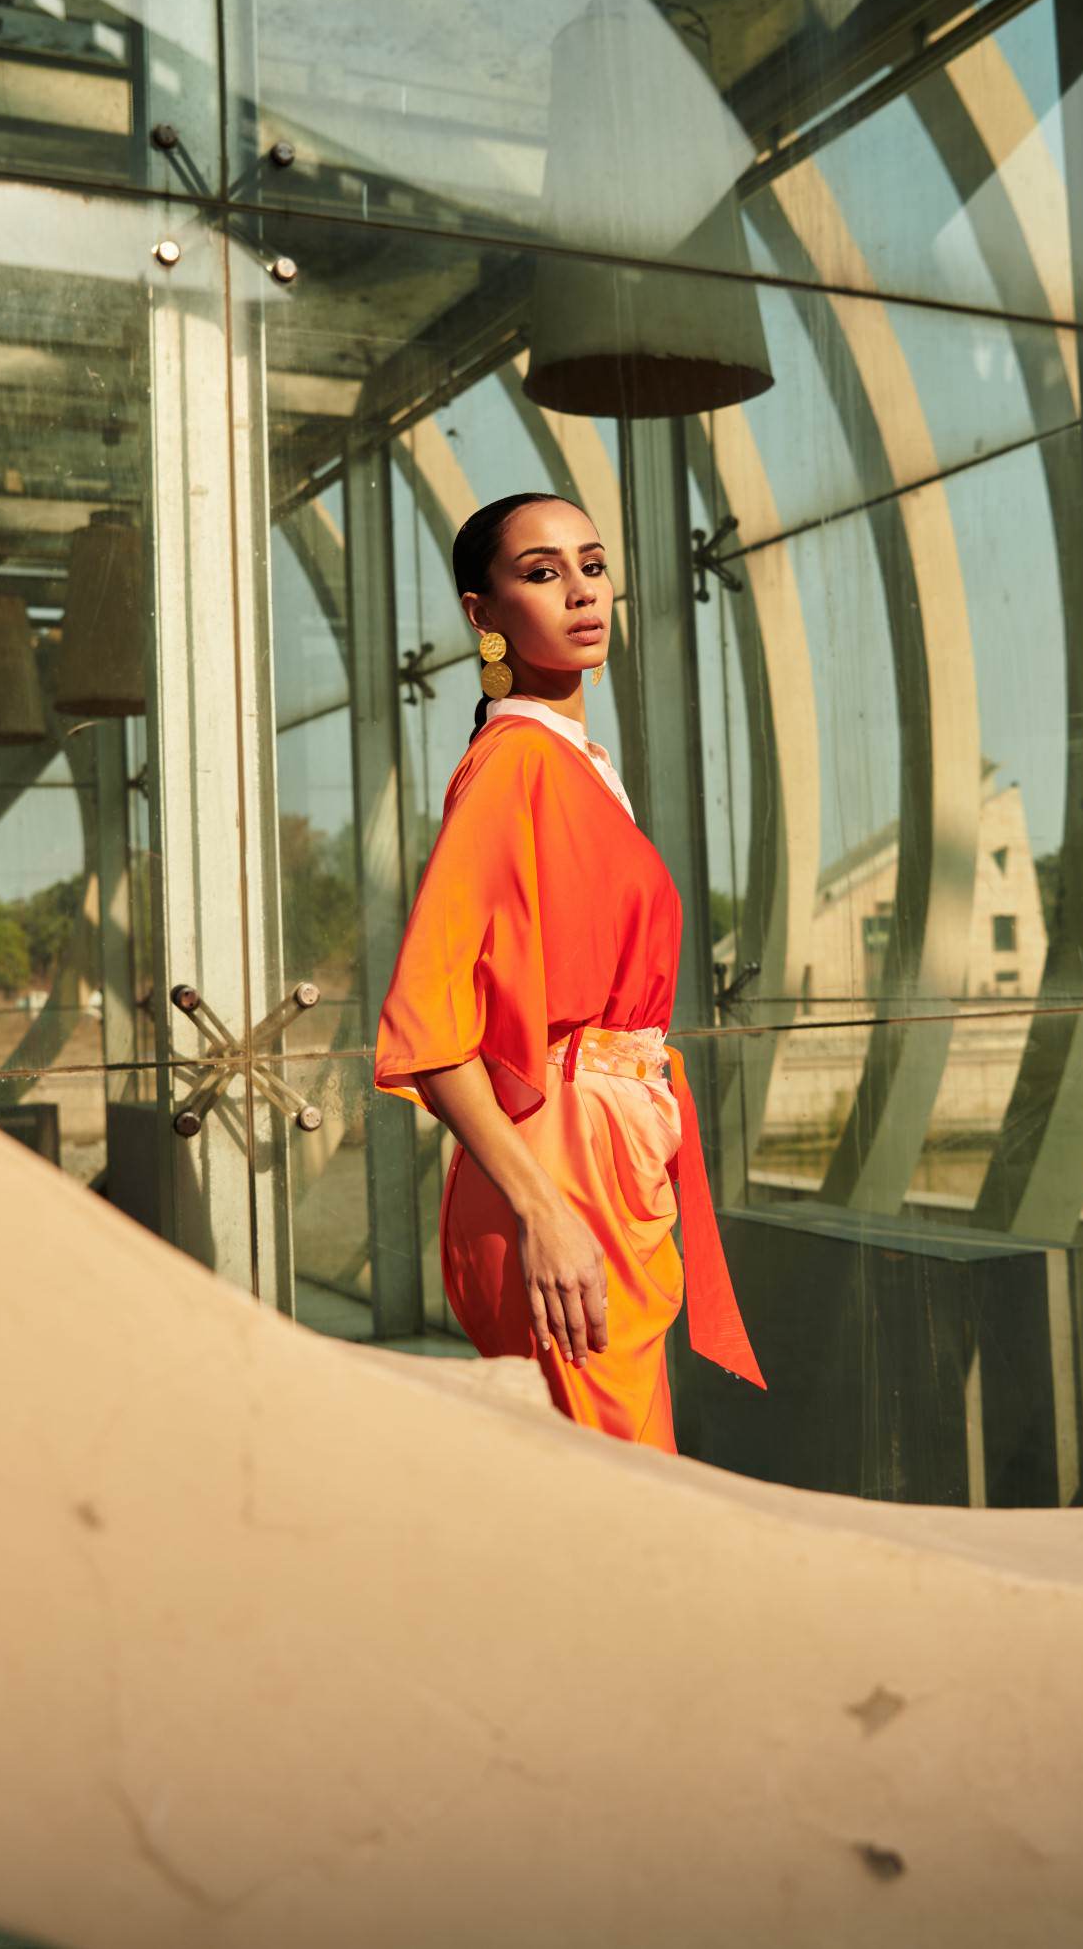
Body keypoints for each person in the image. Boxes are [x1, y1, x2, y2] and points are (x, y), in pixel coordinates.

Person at [373, 491, 765, 1453]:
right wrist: (543, 1211)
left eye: (592, 565)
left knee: (614, 1479)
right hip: (559, 1175)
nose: (582, 592)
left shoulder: (575, 762)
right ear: (484, 613)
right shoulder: (516, 765)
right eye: (542, 574)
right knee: (618, 1490)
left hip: (603, 1160)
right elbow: (428, 1030)